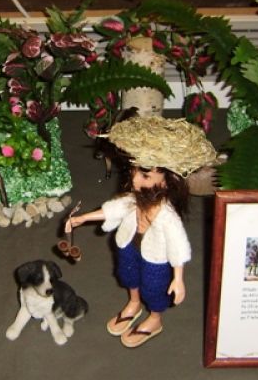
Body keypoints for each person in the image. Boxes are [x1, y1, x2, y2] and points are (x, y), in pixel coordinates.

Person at [65, 116, 216, 348]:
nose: (135, 181)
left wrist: (178, 279)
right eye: (134, 172)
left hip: (155, 257)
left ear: (166, 182)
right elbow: (114, 209)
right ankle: (134, 303)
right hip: (129, 245)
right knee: (128, 275)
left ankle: (155, 319)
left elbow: (178, 247)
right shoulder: (134, 199)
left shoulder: (167, 216)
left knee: (154, 288)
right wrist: (82, 218)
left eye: (145, 176)